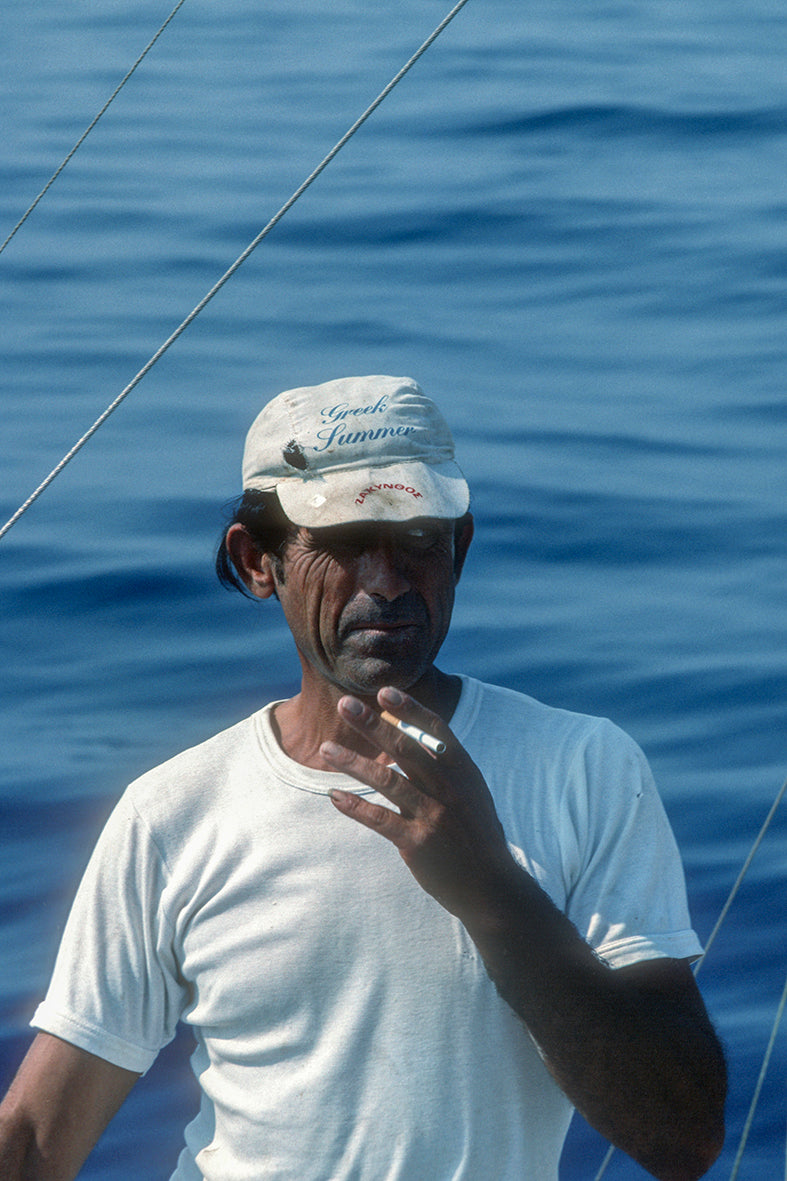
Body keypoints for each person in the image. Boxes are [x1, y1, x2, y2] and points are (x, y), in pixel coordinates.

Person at [0, 375, 725, 1180]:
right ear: (257, 561)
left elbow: (681, 1138)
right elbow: (35, 1138)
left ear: (461, 546)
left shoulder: (586, 767)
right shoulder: (170, 811)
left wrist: (489, 888)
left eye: (419, 538)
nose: (386, 582)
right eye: (344, 544)